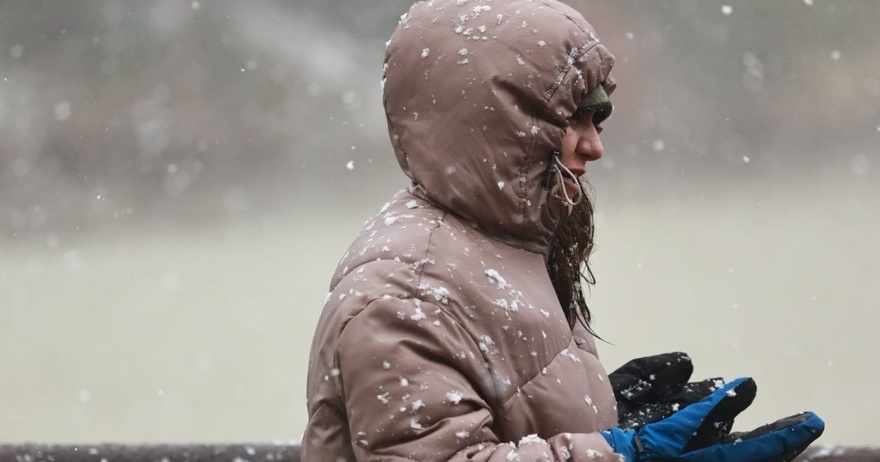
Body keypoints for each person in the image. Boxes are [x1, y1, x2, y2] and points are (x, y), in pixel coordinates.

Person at [303, 1, 824, 460]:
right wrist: (624, 452)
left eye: (600, 116)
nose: (595, 144)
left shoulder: (498, 247)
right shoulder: (407, 292)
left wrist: (595, 414)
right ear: (495, 127)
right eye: (571, 117)